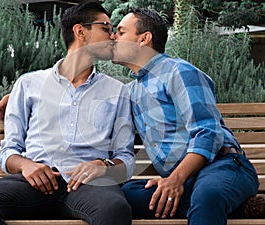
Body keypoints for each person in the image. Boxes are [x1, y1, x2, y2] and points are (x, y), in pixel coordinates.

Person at [0, 2, 135, 225]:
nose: (113, 36)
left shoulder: (117, 91)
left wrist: (103, 165)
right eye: (105, 28)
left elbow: (126, 158)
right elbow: (9, 151)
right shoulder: (28, 84)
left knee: (115, 209)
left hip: (89, 186)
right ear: (80, 31)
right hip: (33, 184)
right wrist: (27, 165)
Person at [112, 7, 264, 225]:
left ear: (144, 39)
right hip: (185, 180)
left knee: (207, 195)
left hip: (222, 165)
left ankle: (216, 203)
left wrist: (176, 178)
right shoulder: (131, 91)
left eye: (121, 32)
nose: (113, 38)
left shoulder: (177, 71)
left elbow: (208, 131)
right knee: (125, 197)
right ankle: (238, 209)